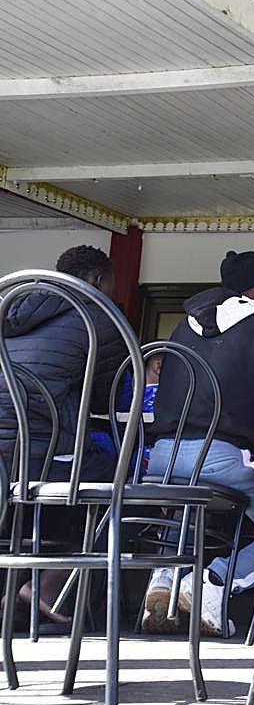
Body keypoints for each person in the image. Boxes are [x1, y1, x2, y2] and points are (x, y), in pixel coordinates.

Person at [141, 250, 254, 636]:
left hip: (163, 457)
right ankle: (214, 583)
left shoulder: (181, 328)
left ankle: (165, 577)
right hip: (221, 456)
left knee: (186, 508)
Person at [0, 245, 125, 625]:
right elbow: (109, 398)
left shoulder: (11, 308)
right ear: (98, 280)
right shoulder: (98, 316)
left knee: (50, 489)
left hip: (5, 461)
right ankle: (50, 585)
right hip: (45, 456)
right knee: (127, 482)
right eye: (111, 284)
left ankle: (15, 586)